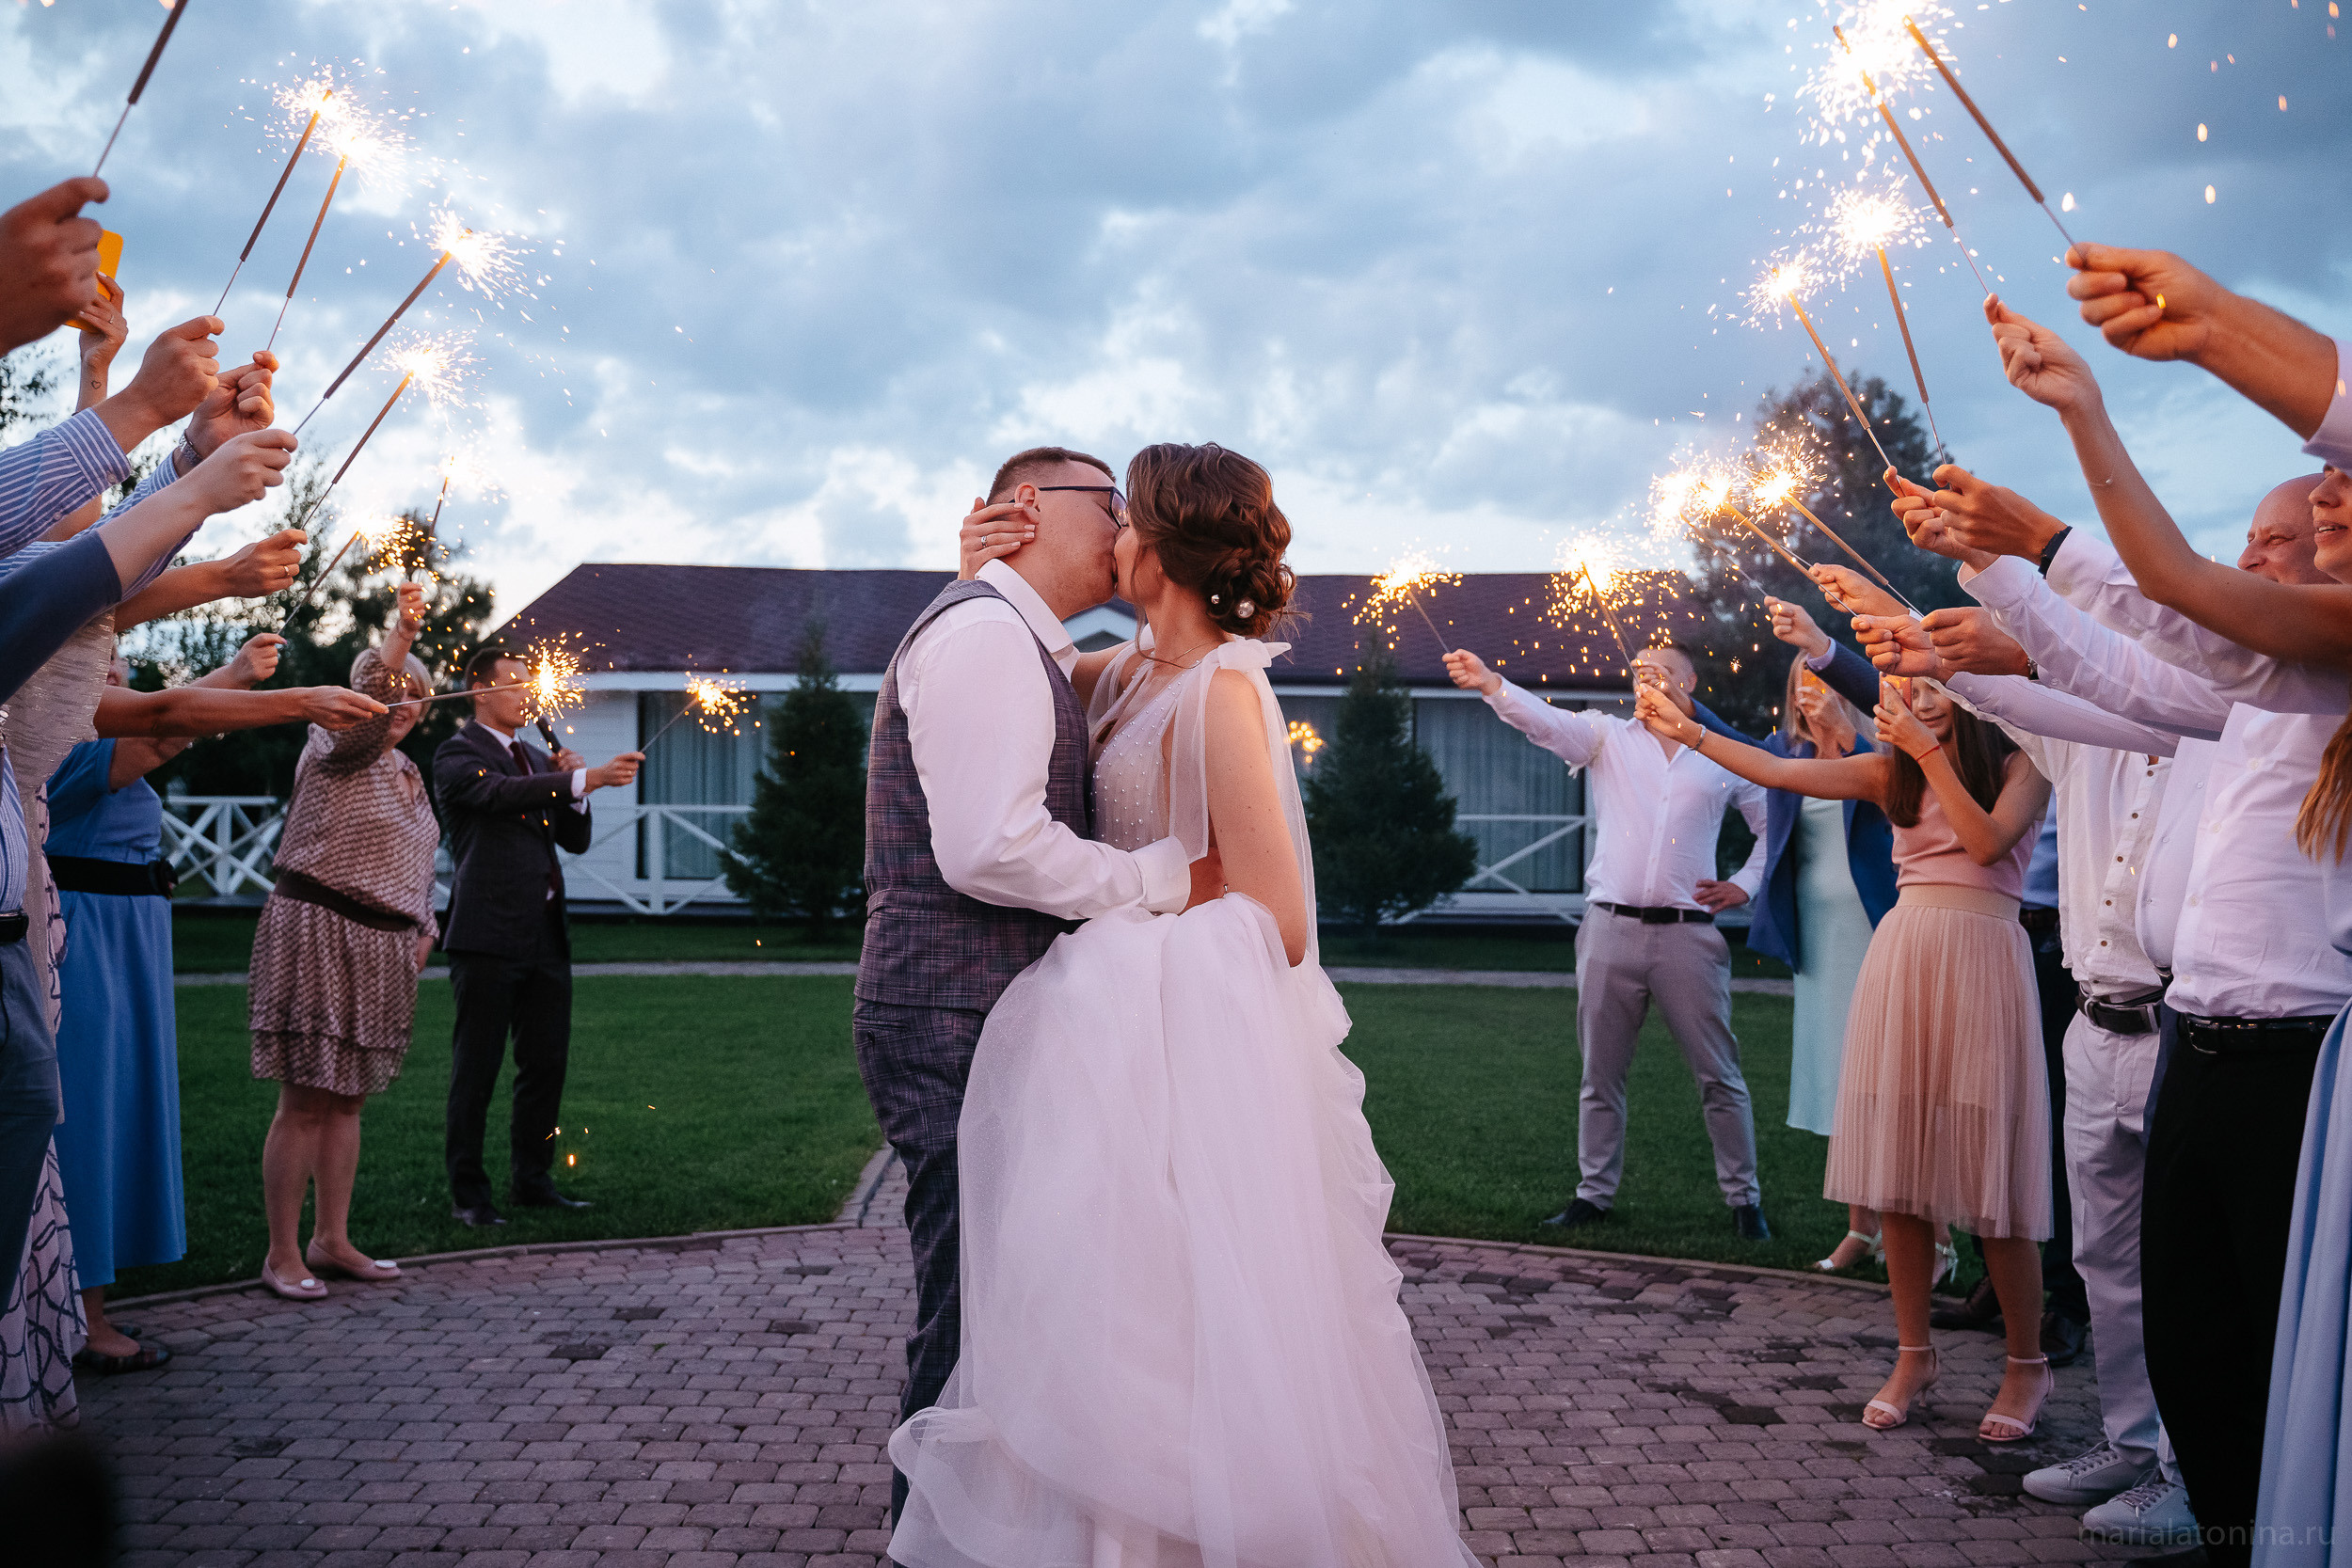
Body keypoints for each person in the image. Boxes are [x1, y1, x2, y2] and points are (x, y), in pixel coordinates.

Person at [887, 440, 1474, 1563]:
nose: (1105, 533)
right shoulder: (1121, 670)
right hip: (1092, 1050)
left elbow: (1279, 919)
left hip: (1159, 1049)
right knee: (1083, 1320)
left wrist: (1126, 952)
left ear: (1152, 547)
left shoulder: (1221, 696)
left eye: (1120, 515)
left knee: (1170, 1325)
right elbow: (1003, 655)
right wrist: (970, 574)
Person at [860, 446, 1205, 1528]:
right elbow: (990, 849)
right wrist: (1152, 879)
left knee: (1006, 1286)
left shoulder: (1018, 637)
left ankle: (971, 1521)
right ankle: (927, 1531)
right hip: (949, 1005)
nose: (1121, 523)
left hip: (971, 1002)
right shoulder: (980, 636)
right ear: (1024, 509)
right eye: (1108, 502)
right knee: (974, 1292)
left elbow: (1155, 660)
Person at [1634, 673, 2054, 1440]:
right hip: (1905, 951)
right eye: (1904, 689)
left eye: (1933, 687)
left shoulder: (2023, 761)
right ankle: (1912, 1354)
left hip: (1986, 957)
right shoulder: (1887, 769)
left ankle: (2026, 1363)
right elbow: (1778, 770)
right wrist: (1689, 729)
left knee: (1992, 1181)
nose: (1916, 700)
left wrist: (1926, 753)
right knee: (1897, 1179)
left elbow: (1988, 840)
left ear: (1971, 691)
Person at [1441, 641, 1773, 1239]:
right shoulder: (1605, 737)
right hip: (1609, 931)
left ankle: (1745, 1202)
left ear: (1690, 682)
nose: (1648, 679)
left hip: (1688, 939)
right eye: (1640, 671)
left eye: (1662, 672)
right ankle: (1593, 1195)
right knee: (1601, 1075)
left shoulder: (1720, 755)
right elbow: (1545, 723)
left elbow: (1772, 827)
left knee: (1719, 1075)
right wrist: (1493, 682)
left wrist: (1744, 885)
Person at [1685, 601, 1896, 1271]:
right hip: (1820, 935)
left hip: (1876, 929)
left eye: (1820, 683)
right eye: (1800, 685)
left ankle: (1929, 1234)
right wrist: (1680, 706)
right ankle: (1861, 1229)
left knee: (1890, 1080)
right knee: (1842, 1078)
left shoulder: (1880, 751)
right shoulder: (1785, 753)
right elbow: (1733, 744)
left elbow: (1894, 796)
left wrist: (1848, 736)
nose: (1808, 696)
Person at [246, 585, 442, 1299]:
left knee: (349, 1100)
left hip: (383, 948)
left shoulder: (411, 776)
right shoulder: (335, 745)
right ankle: (281, 1253)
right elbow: (370, 713)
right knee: (304, 1100)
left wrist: (425, 925)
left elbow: (416, 861)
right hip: (317, 929)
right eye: (392, 694)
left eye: (415, 701)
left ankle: (332, 1239)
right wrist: (403, 633)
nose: (401, 709)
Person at [435, 646, 643, 1229]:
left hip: (544, 934)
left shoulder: (533, 756)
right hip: (485, 933)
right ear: (480, 693)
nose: (527, 694)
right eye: (514, 684)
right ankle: (469, 1194)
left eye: (529, 684)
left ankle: (532, 1179)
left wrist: (577, 790)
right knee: (476, 1067)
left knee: (545, 1064)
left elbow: (573, 840)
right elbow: (497, 797)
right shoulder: (457, 753)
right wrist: (579, 777)